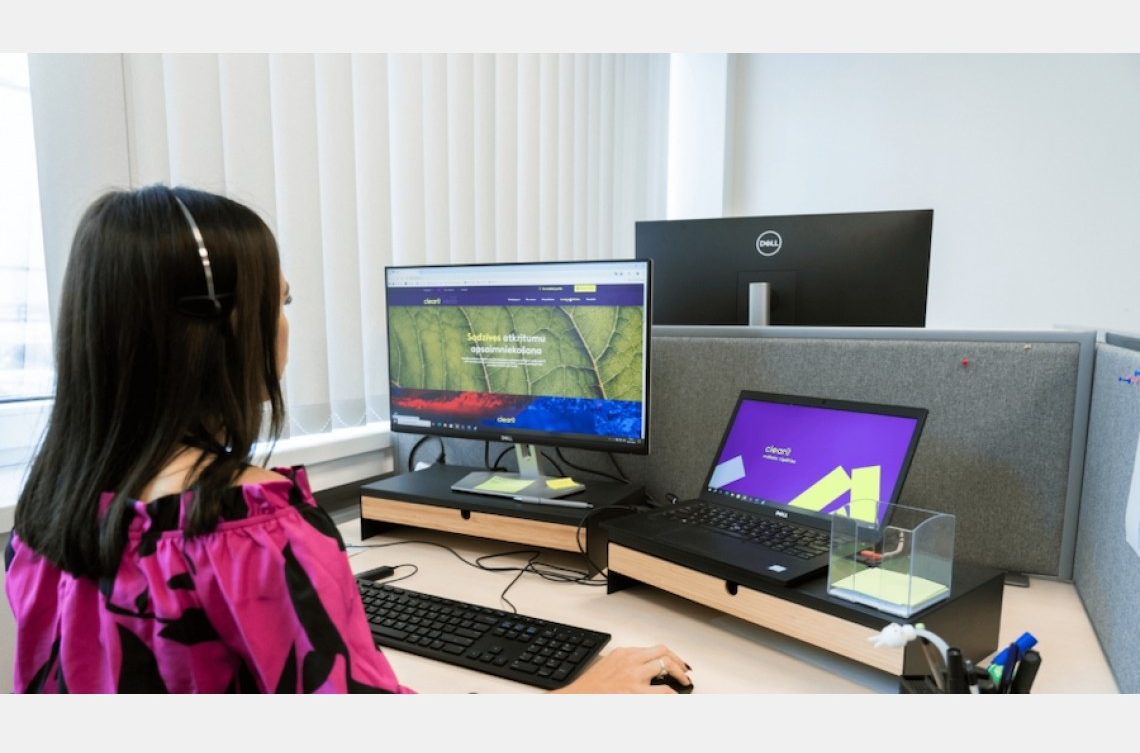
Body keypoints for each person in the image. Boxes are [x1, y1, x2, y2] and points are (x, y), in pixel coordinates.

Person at [4, 183, 692, 694]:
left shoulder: (46, 520)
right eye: (281, 300)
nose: (285, 322)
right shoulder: (256, 535)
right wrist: (577, 700)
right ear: (226, 332)